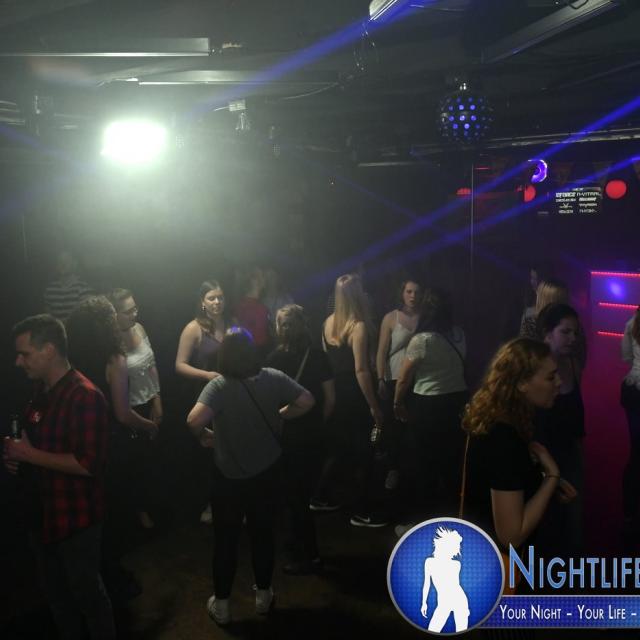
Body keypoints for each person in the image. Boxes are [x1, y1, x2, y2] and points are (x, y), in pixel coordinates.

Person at [187, 328, 314, 626]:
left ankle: (222, 606)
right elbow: (307, 400)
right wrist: (281, 414)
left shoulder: (219, 386)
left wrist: (205, 436)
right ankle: (263, 597)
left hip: (228, 478)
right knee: (263, 535)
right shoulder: (273, 377)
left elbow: (193, 420)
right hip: (267, 473)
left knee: (226, 541)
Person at [3, 314, 115, 640]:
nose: (18, 362)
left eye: (24, 354)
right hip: (42, 514)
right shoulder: (41, 390)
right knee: (57, 598)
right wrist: (17, 456)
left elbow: (89, 464)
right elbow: (39, 447)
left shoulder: (86, 396)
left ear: (49, 350)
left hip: (75, 519)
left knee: (87, 596)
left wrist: (28, 455)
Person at [66, 297, 158, 600]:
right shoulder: (113, 358)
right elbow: (122, 413)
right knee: (115, 513)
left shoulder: (70, 357)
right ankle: (112, 579)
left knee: (91, 514)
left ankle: (94, 576)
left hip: (78, 440)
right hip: (109, 444)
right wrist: (149, 425)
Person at [461, 338, 576, 559]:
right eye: (551, 377)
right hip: (494, 566)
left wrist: (541, 480)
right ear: (522, 383)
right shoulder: (504, 438)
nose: (559, 382)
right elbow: (511, 536)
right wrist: (552, 476)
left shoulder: (499, 419)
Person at [266, 304, 335, 574]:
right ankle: (306, 552)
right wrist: (318, 424)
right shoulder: (318, 356)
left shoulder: (273, 359)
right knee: (301, 496)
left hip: (287, 435)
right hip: (313, 435)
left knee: (293, 498)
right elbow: (330, 399)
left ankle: (305, 555)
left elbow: (268, 400)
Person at [314, 273, 386, 528]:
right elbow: (361, 370)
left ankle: (319, 496)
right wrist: (374, 406)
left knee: (339, 448)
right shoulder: (358, 326)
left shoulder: (327, 323)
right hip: (355, 393)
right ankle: (362, 511)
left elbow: (327, 361)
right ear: (358, 295)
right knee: (365, 451)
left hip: (335, 390)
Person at [393, 288, 467, 517]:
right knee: (451, 461)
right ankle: (453, 516)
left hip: (428, 404)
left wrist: (397, 403)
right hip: (457, 402)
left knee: (424, 462)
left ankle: (423, 519)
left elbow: (404, 378)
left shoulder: (422, 340)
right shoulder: (459, 334)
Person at [108, 288, 162, 529]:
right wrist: (146, 423)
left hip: (149, 402)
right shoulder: (111, 346)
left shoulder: (139, 328)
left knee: (150, 461)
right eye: (128, 311)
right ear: (114, 315)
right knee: (134, 466)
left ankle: (151, 504)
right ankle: (137, 513)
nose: (134, 314)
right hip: (130, 411)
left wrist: (158, 399)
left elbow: (151, 364)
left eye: (135, 308)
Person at [175, 279, 228, 524]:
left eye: (220, 297)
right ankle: (207, 504)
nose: (217, 302)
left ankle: (227, 502)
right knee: (207, 450)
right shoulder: (193, 328)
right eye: (211, 298)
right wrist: (207, 375)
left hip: (228, 395)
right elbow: (179, 365)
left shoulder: (231, 323)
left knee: (227, 447)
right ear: (202, 302)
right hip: (203, 394)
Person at [534, 303, 585, 554]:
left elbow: (576, 413)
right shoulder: (533, 369)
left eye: (575, 332)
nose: (572, 338)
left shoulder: (573, 365)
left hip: (569, 453)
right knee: (545, 524)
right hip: (542, 458)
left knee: (571, 522)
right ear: (547, 334)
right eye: (565, 332)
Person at [376, 279, 421, 491]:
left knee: (413, 426)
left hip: (417, 379)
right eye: (409, 291)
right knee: (394, 427)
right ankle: (393, 469)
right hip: (394, 376)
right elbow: (381, 352)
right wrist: (380, 379)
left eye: (416, 292)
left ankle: (411, 471)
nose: (413, 296)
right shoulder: (391, 318)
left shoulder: (425, 317)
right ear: (402, 293)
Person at [621, 306, 640, 530]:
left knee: (636, 454)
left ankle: (629, 513)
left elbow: (626, 356)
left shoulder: (632, 321)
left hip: (634, 391)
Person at [43, 250, 94, 321]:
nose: (63, 264)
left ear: (74, 264)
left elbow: (85, 318)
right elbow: (48, 319)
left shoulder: (84, 289)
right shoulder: (50, 290)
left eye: (67, 260)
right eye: (60, 261)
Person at [232, 266, 271, 357]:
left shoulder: (262, 307)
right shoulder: (240, 307)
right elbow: (234, 333)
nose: (263, 278)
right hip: (247, 354)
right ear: (252, 280)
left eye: (262, 276)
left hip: (260, 353)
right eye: (258, 276)